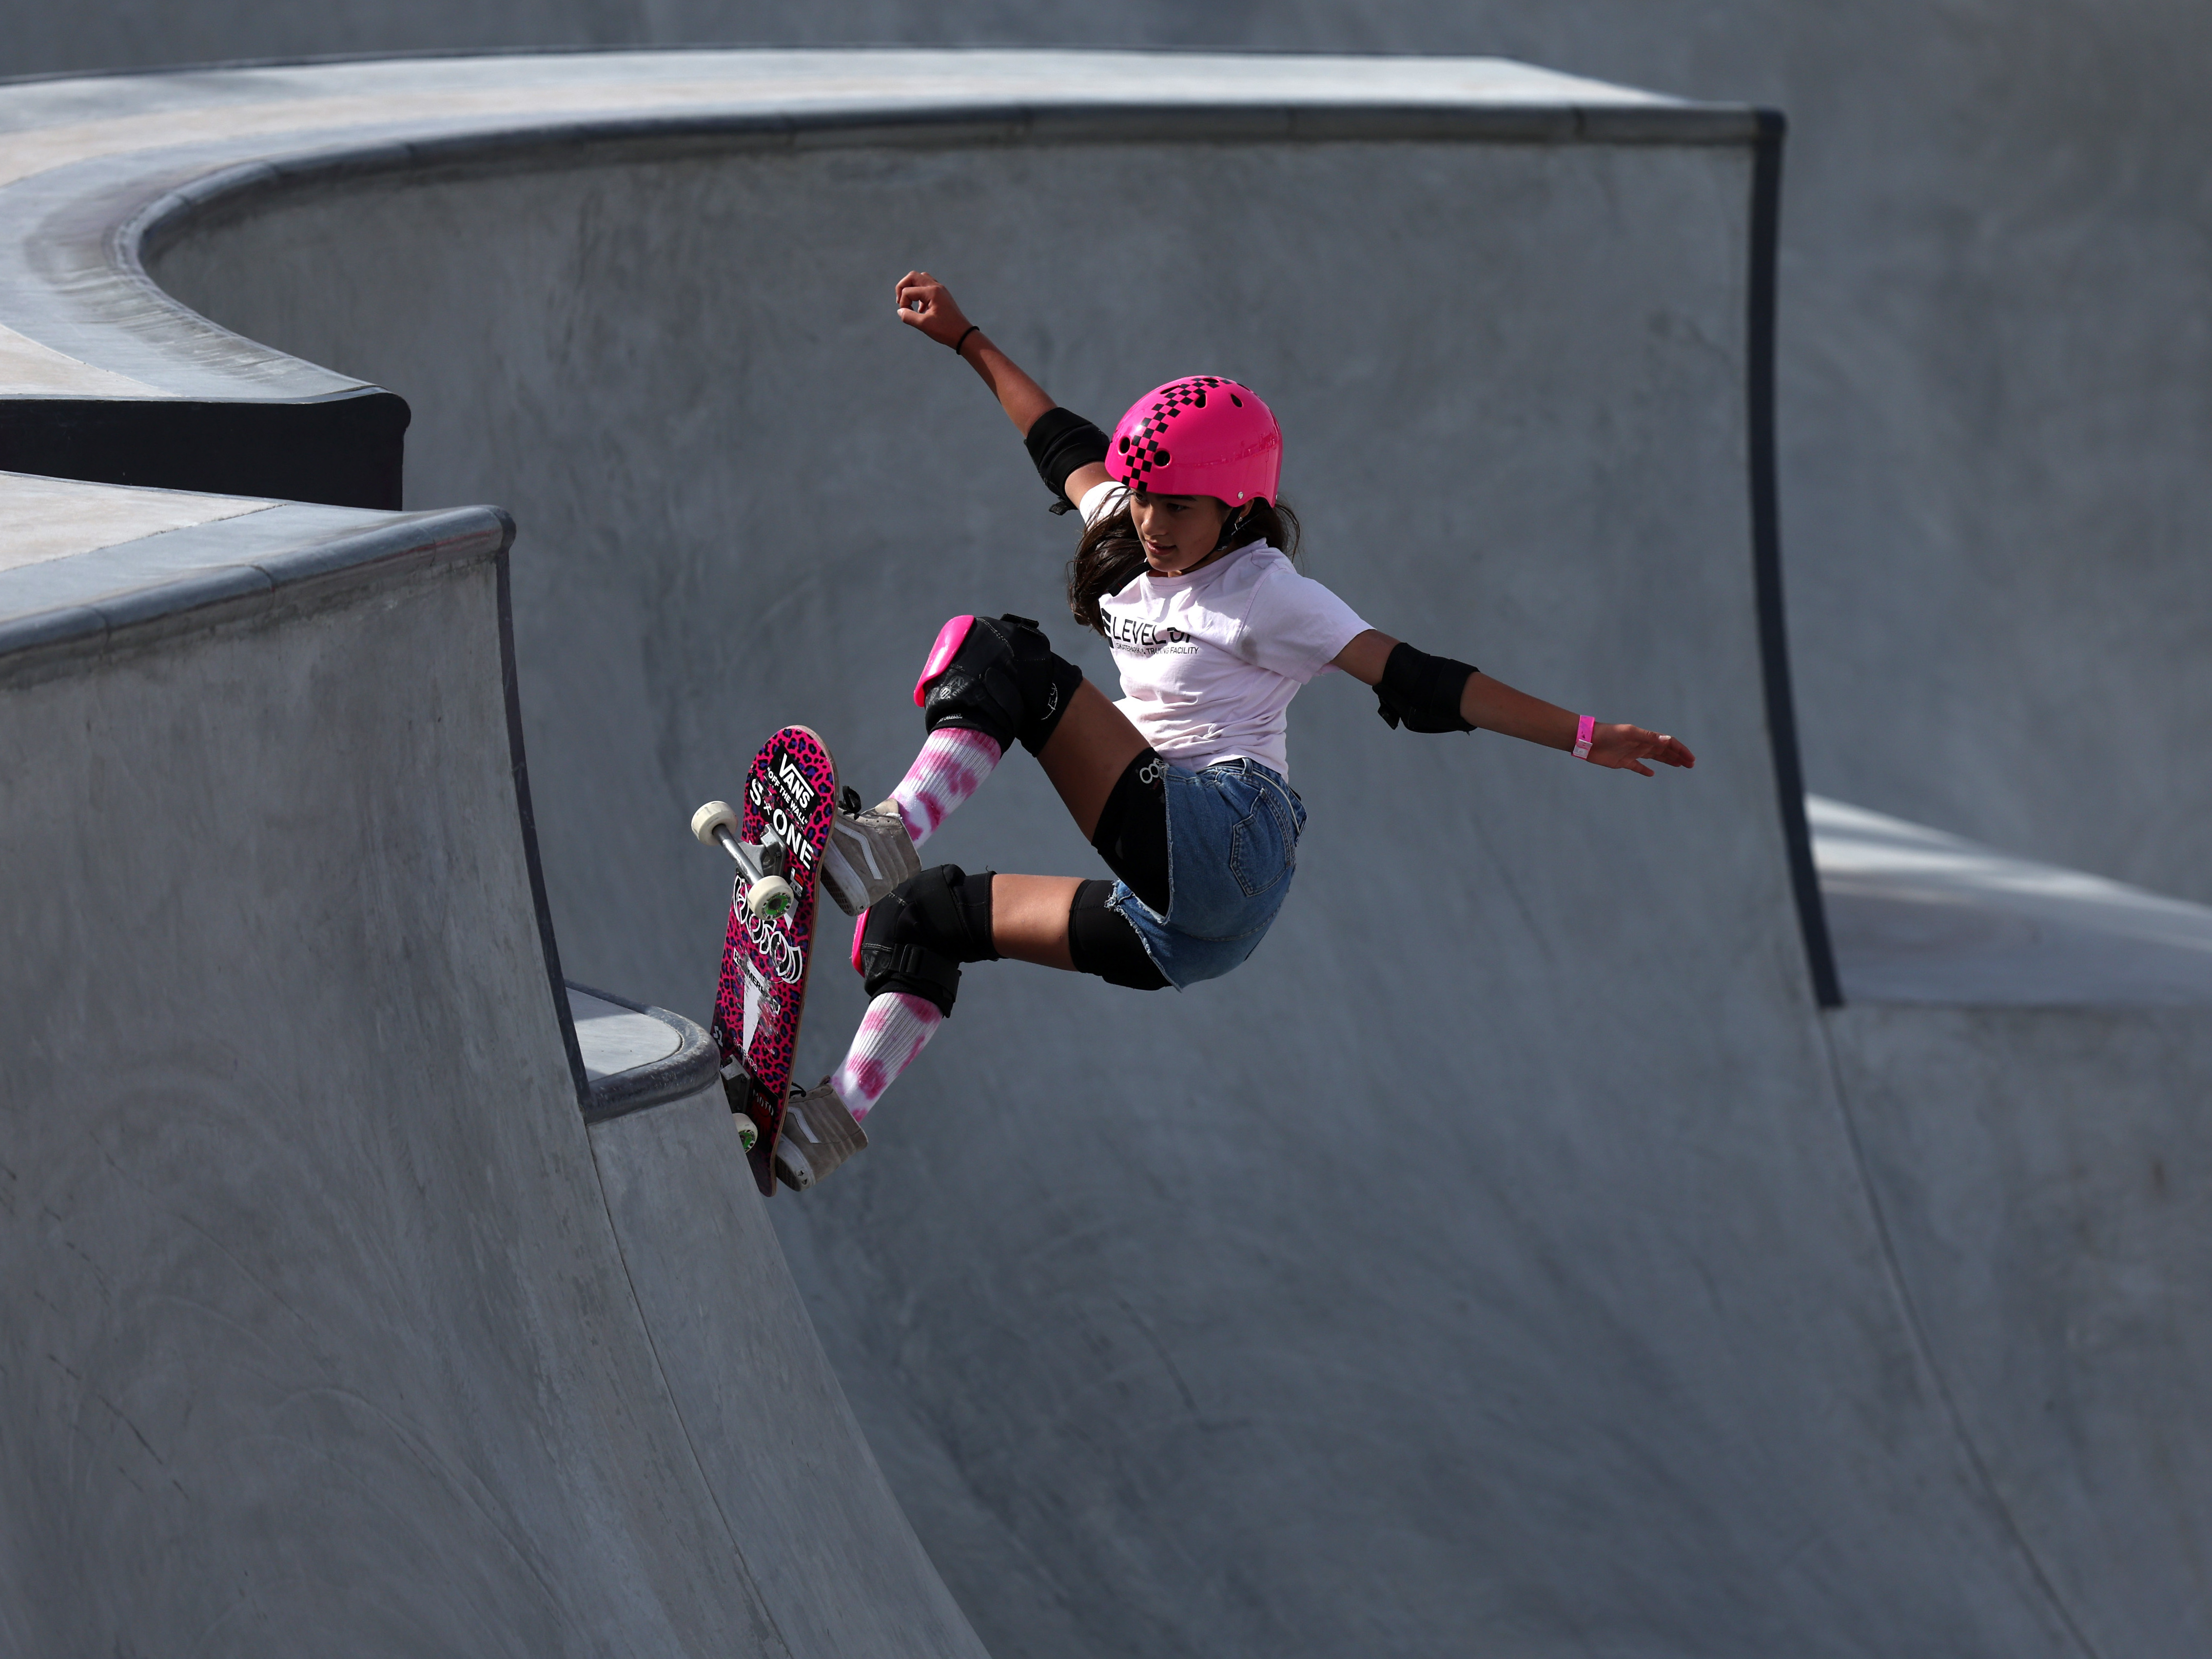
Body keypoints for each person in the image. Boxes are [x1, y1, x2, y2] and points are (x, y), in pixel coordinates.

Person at [770, 270, 1697, 1191]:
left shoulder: (1267, 593)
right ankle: (827, 1127)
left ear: (1238, 507)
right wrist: (967, 338)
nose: (1153, 523)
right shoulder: (1128, 531)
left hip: (1224, 830)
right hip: (1182, 921)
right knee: (919, 920)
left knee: (997, 653)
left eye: (1178, 509)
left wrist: (1583, 736)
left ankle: (878, 837)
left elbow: (1423, 679)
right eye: (1143, 500)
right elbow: (1057, 440)